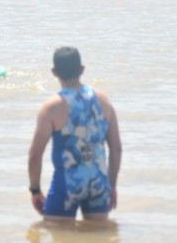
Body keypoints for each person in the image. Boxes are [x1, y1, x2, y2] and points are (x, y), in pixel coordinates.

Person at [28, 47, 122, 222]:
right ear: (82, 69)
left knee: (58, 236)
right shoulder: (104, 101)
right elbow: (116, 148)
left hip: (67, 184)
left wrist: (35, 190)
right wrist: (112, 185)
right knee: (99, 237)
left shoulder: (51, 107)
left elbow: (35, 154)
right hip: (98, 183)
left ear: (54, 72)